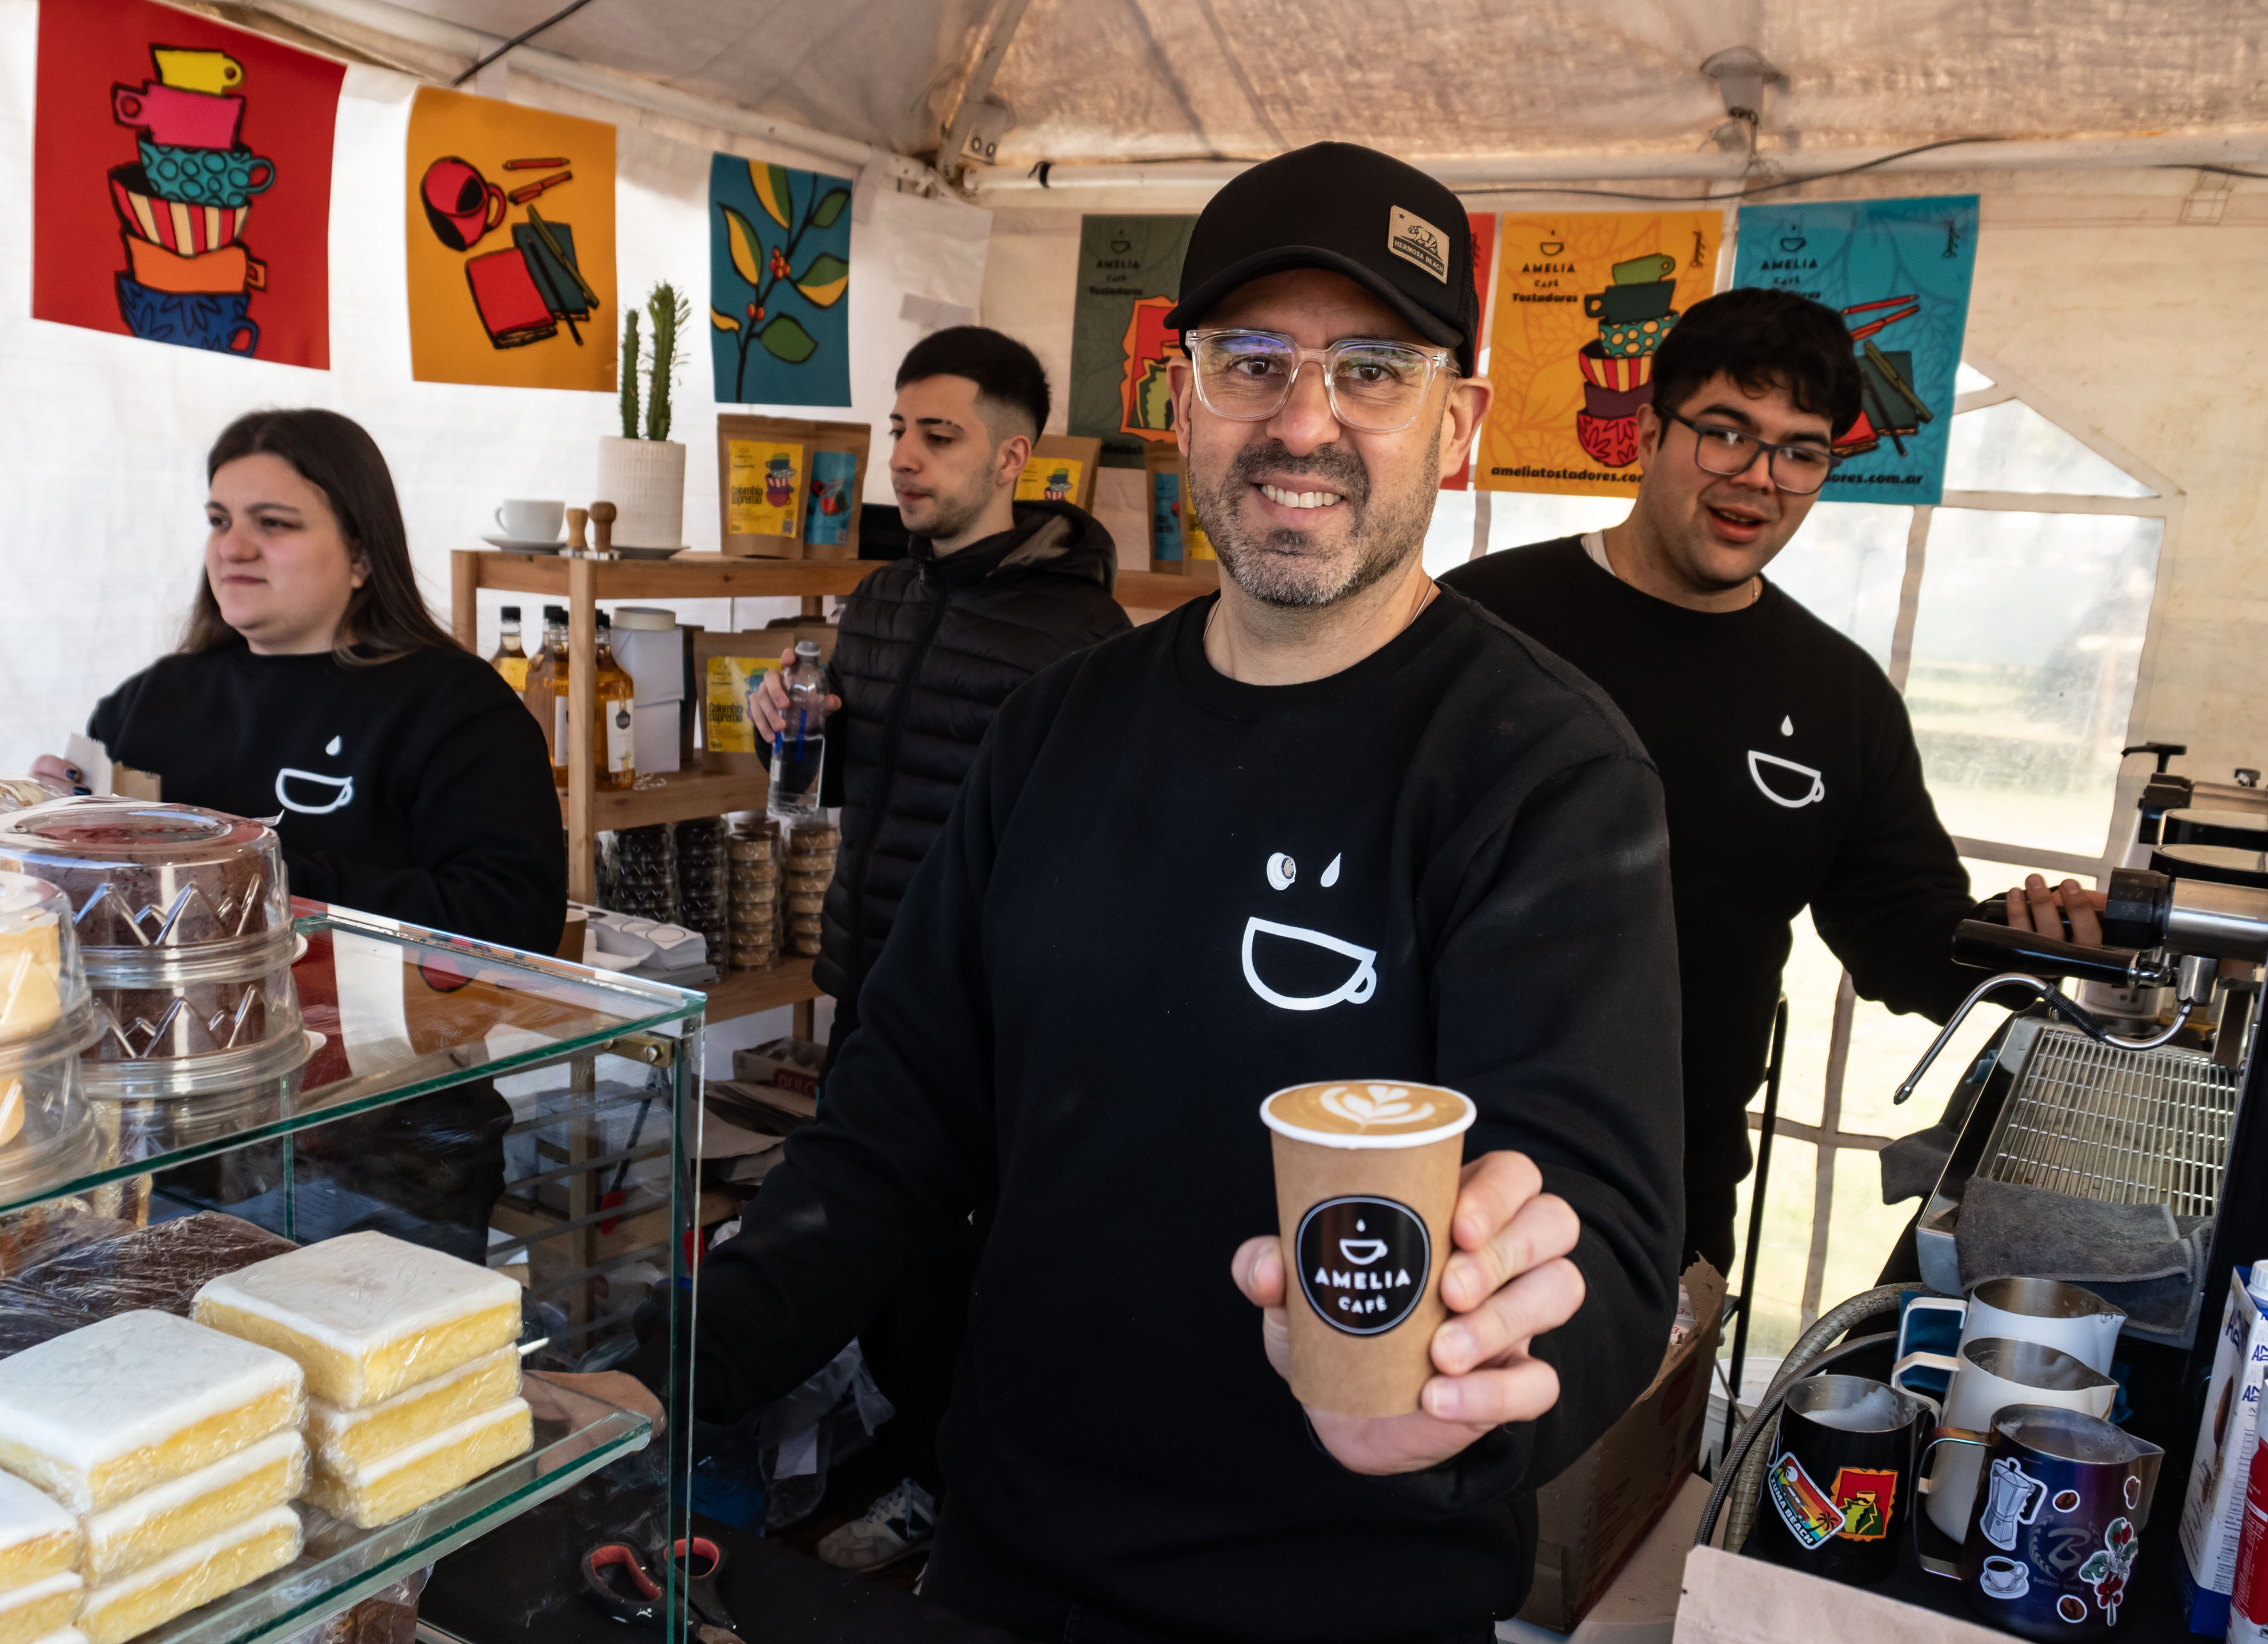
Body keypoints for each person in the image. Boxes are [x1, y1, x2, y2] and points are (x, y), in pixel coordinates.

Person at [599, 142, 1683, 1643]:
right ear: (1179, 397)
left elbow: (1601, 1223)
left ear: (1458, 424)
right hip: (1004, 1561)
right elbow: (893, 1125)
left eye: (1370, 371)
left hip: (1344, 1595)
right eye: (1250, 361)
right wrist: (665, 1369)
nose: (1301, 422)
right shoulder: (1061, 723)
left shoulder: (1538, 767)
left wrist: (1473, 1401)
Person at [1443, 289, 2102, 1276]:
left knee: (1638, 1436)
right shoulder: (1480, 626)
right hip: (1446, 1149)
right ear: (1648, 432)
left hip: (1674, 1183)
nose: (1758, 478)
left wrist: (2028, 940)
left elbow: (1900, 933)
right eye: (1724, 434)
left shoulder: (1838, 696)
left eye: (1798, 451)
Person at [741, 326, 1130, 1571]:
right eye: (895, 432)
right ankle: (892, 1451)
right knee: (875, 1246)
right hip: (872, 979)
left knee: (979, 1267)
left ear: (1013, 455)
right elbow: (853, 781)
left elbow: (1095, 845)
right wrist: (783, 731)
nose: (901, 459)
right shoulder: (883, 596)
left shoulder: (1082, 635)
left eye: (936, 435)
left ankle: (958, 1500)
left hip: (998, 1014)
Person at [35, 408, 566, 1258]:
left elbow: (512, 917)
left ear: (362, 553)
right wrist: (60, 831)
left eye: (273, 523)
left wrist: (241, 874)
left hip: (375, 1154)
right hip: (158, 1147)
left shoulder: (453, 706)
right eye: (220, 520)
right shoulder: (155, 698)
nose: (233, 548)